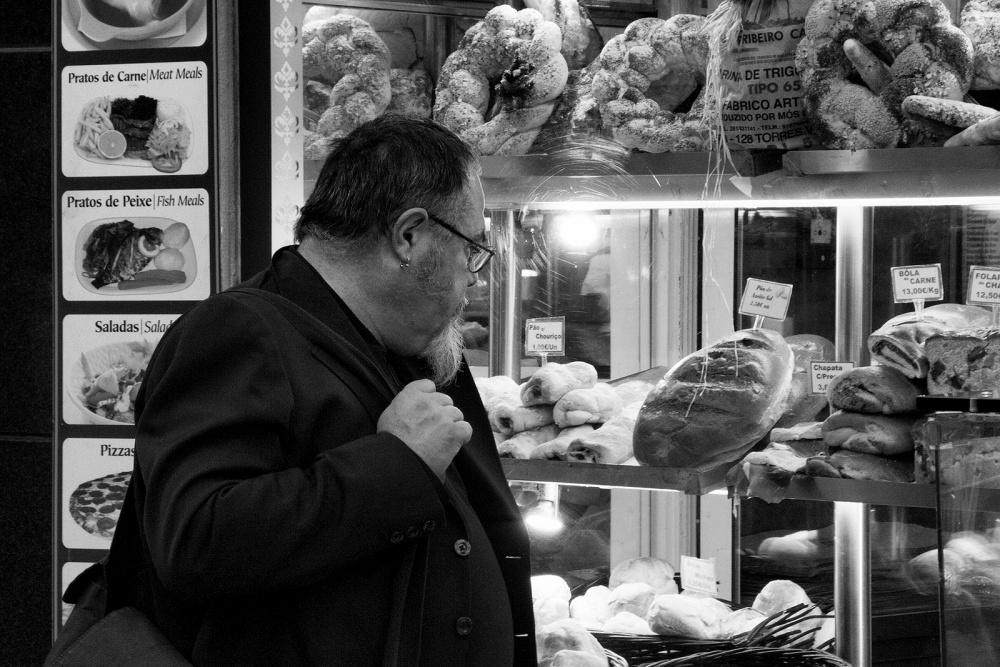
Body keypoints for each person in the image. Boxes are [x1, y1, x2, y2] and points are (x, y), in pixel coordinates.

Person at [111, 115, 536, 665]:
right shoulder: (239, 330)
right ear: (409, 236)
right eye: (470, 250)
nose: (474, 278)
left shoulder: (398, 340)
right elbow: (196, 538)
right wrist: (397, 463)